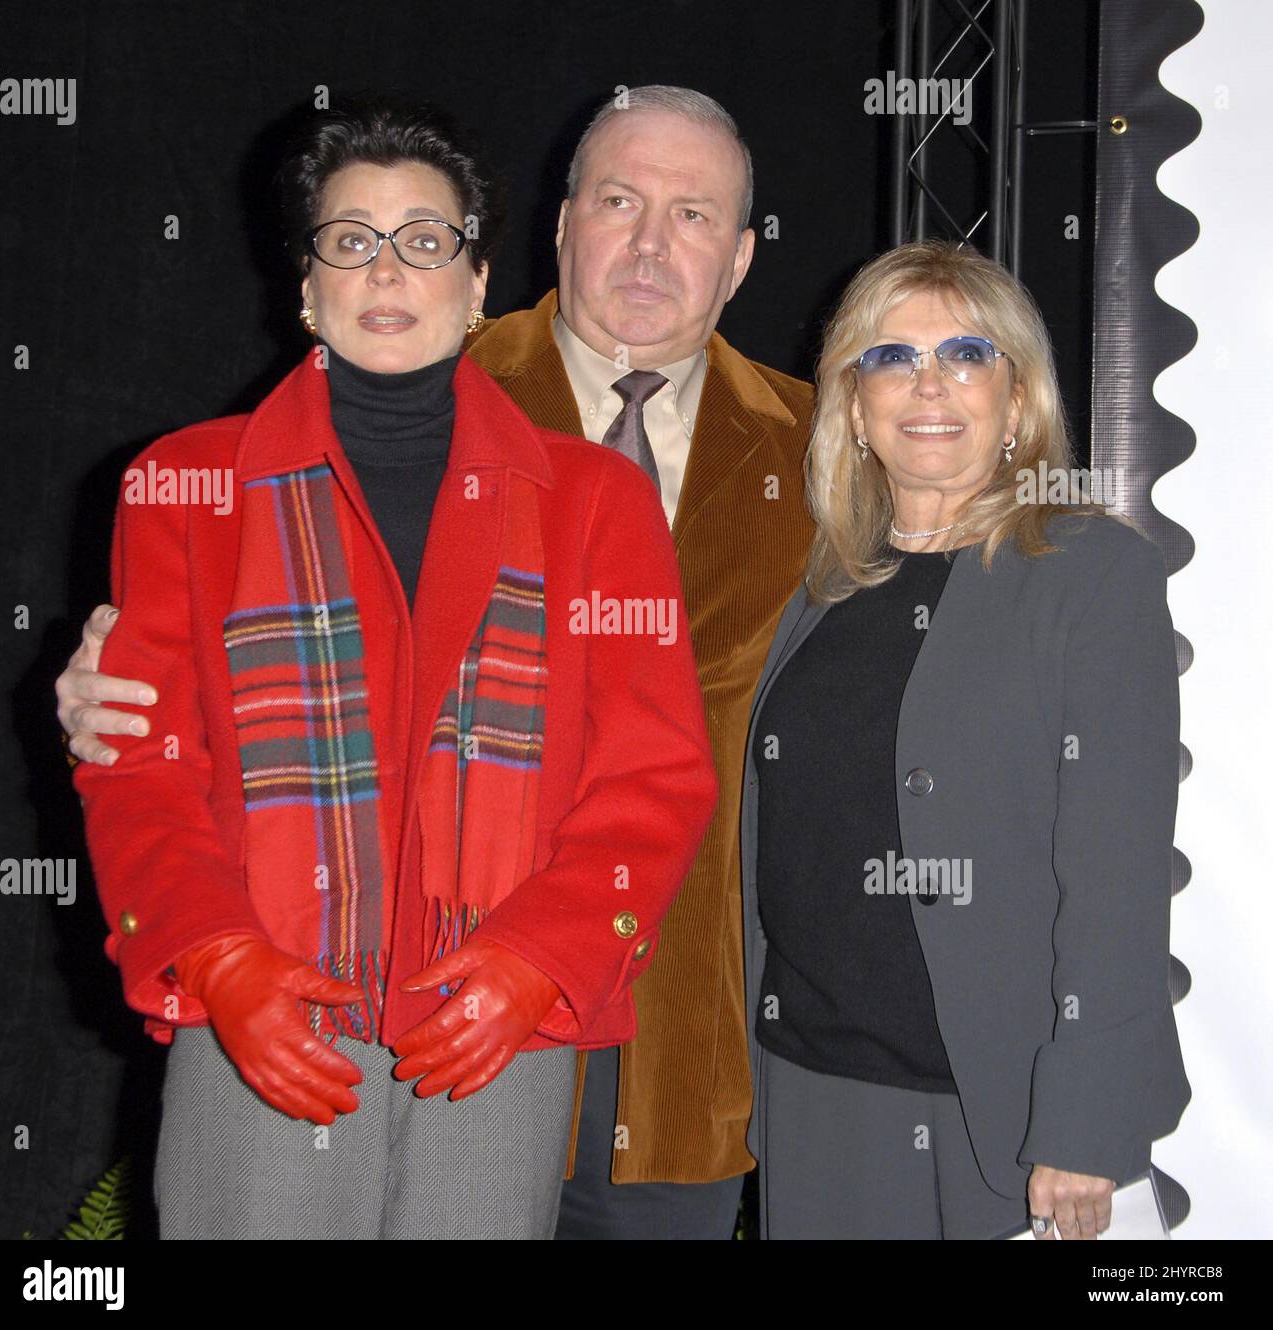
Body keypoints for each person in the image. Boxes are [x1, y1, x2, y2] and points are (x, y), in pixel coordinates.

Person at [59, 86, 815, 1240]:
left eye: (426, 242)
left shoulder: (594, 502)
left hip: (494, 1035)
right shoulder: (184, 487)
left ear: (475, 283)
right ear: (304, 286)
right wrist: (217, 962)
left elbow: (654, 777)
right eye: (349, 242)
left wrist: (531, 963)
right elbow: (141, 770)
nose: (386, 272)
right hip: (263, 1020)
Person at [739, 239, 1191, 1239]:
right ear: (853, 407)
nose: (927, 383)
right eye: (889, 356)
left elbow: (1116, 872)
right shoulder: (818, 585)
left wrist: (1085, 1113)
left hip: (1003, 1112)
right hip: (814, 1092)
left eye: (966, 353)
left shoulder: (1092, 575)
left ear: (1016, 400)